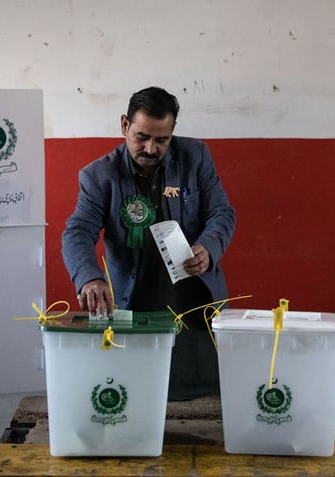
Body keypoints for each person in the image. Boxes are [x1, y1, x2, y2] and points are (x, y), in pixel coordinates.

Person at [61, 86, 236, 400]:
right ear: (125, 125)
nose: (151, 149)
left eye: (161, 140)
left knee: (206, 396)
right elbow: (78, 232)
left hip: (194, 300)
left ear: (172, 132)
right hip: (136, 302)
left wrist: (208, 247)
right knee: (140, 393)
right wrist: (89, 277)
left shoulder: (196, 157)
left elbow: (222, 213)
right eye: (141, 137)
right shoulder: (99, 176)